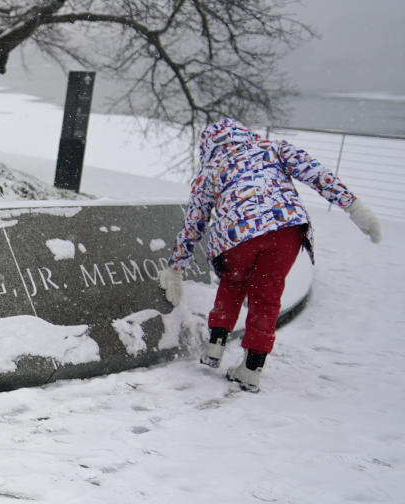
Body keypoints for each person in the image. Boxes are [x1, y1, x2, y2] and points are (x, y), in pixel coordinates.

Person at [157, 118, 381, 392]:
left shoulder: (211, 170)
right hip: (285, 231)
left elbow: (194, 223)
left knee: (233, 281)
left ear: (208, 146)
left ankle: (215, 345)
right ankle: (252, 367)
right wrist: (355, 207)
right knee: (267, 295)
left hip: (236, 237)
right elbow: (316, 173)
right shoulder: (272, 148)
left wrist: (175, 267)